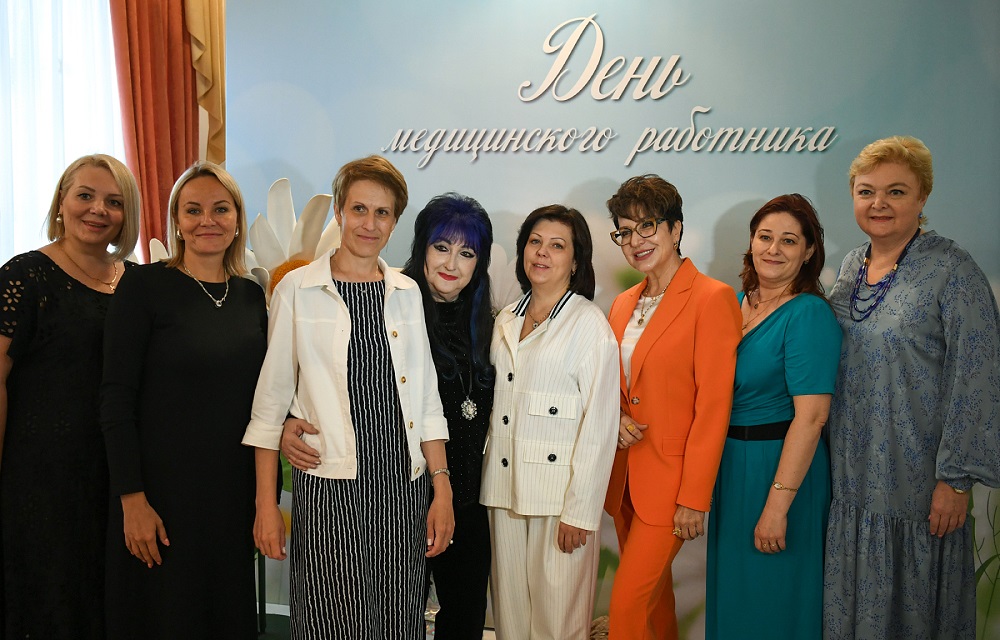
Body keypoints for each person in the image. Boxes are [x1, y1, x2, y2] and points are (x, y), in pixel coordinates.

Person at [244, 155, 453, 640]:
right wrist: (266, 505)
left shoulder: (407, 292)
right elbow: (270, 406)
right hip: (329, 489)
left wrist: (440, 489)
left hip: (402, 492)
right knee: (329, 622)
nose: (369, 224)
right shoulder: (296, 288)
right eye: (359, 209)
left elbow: (426, 401)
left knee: (397, 622)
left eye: (383, 213)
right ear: (339, 211)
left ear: (395, 221)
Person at [282, 192, 496, 638]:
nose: (451, 263)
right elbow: (321, 373)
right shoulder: (392, 301)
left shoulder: (493, 324)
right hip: (397, 490)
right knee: (384, 614)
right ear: (421, 247)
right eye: (441, 247)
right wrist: (288, 420)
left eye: (467, 253)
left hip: (465, 496)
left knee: (463, 617)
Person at [824, 136, 1000, 638]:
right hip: (851, 477)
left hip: (918, 485)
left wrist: (956, 480)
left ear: (923, 196)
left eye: (896, 191)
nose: (878, 203)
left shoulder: (953, 270)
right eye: (866, 191)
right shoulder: (852, 265)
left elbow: (978, 376)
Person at [101, 162, 266, 639]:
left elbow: (266, 399)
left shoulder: (251, 296)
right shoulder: (144, 286)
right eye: (193, 210)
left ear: (237, 218)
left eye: (220, 209)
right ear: (176, 220)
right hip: (159, 499)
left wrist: (263, 500)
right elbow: (115, 398)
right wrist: (131, 499)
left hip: (230, 499)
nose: (206, 221)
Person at [0, 154, 139, 639]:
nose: (98, 209)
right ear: (62, 201)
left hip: (116, 476)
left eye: (114, 202)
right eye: (85, 195)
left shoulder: (137, 282)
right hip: (40, 479)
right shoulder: (24, 275)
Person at [602, 175, 741, 640]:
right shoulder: (623, 303)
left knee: (625, 609)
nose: (635, 241)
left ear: (675, 228)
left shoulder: (712, 298)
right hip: (624, 479)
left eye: (648, 226)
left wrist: (694, 498)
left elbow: (714, 406)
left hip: (672, 487)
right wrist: (616, 416)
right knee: (655, 605)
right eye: (625, 231)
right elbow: (612, 386)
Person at [704, 194, 841, 639]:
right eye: (765, 237)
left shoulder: (808, 313)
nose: (773, 249)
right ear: (751, 242)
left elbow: (812, 418)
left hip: (779, 471)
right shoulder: (734, 302)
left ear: (809, 251)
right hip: (732, 468)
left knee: (773, 603)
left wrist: (778, 506)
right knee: (736, 600)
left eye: (789, 240)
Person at [480, 204, 619, 640]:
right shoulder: (505, 318)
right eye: (535, 242)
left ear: (576, 261)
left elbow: (600, 427)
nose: (542, 252)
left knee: (558, 625)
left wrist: (581, 511)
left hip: (560, 503)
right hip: (502, 491)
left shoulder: (589, 325)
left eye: (557, 245)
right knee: (510, 621)